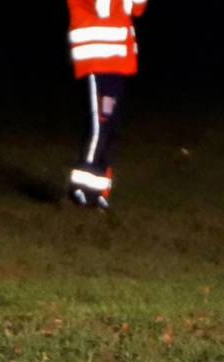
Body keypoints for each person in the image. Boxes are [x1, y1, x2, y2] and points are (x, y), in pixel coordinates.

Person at [67, 0, 145, 210]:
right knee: (99, 127)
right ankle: (80, 189)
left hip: (118, 64)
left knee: (110, 127)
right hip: (97, 62)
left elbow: (137, 8)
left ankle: (99, 191)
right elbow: (102, 7)